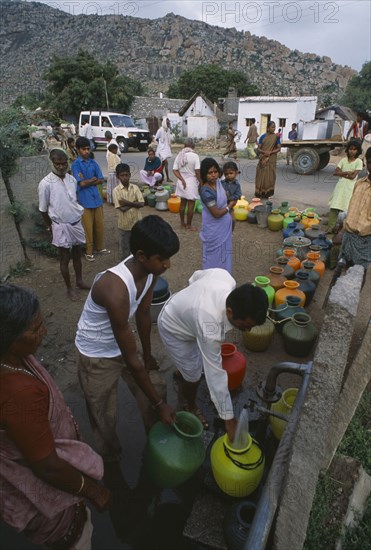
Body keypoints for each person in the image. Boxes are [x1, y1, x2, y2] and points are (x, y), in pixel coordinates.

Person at [0, 284, 111, 548]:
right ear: (8, 339)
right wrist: (93, 490)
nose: (44, 332)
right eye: (35, 329)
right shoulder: (19, 393)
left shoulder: (13, 361)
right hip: (52, 504)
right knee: (73, 537)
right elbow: (47, 466)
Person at [75, 215, 180, 464]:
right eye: (162, 259)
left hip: (120, 342)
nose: (167, 265)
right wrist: (159, 404)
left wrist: (149, 353)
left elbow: (144, 312)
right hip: (96, 355)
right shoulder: (115, 290)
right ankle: (110, 458)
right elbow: (132, 361)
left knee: (155, 385)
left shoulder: (150, 271)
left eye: (168, 258)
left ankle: (156, 436)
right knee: (103, 413)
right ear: (142, 255)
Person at [158, 269, 268, 439]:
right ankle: (191, 405)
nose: (247, 330)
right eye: (245, 325)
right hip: (172, 327)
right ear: (230, 312)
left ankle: (183, 370)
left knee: (193, 363)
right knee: (194, 375)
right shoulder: (210, 329)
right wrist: (228, 419)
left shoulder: (224, 277)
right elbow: (215, 374)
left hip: (187, 315)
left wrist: (193, 305)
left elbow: (194, 276)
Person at [38, 149, 90, 301]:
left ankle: (79, 281)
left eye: (63, 163)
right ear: (52, 163)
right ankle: (69, 288)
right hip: (60, 225)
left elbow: (73, 201)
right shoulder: (45, 183)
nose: (61, 167)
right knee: (65, 258)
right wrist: (50, 227)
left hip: (75, 222)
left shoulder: (72, 180)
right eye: (57, 164)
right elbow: (42, 210)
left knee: (77, 254)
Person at [72, 136, 110, 261]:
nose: (86, 151)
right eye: (83, 149)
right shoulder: (76, 165)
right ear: (78, 149)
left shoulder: (93, 163)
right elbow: (81, 184)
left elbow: (101, 179)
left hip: (96, 199)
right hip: (84, 200)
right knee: (88, 228)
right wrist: (92, 180)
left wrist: (88, 181)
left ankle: (99, 247)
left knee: (99, 225)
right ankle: (89, 251)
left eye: (88, 149)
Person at [199, 157, 233, 274]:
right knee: (212, 257)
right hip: (213, 230)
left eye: (215, 172)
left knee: (224, 254)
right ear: (204, 174)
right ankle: (210, 279)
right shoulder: (205, 191)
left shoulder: (219, 184)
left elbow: (227, 196)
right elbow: (216, 214)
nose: (213, 175)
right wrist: (230, 206)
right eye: (209, 173)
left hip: (224, 229)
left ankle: (223, 278)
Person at [339, 146, 371, 269]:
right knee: (343, 270)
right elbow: (352, 209)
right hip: (348, 236)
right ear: (366, 163)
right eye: (370, 163)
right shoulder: (359, 184)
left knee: (359, 275)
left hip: (365, 241)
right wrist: (342, 229)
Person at [327, 140, 363, 233]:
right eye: (350, 149)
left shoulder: (358, 161)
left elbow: (352, 177)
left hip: (350, 188)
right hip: (340, 187)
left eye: (354, 149)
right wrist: (346, 172)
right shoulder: (343, 160)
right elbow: (335, 173)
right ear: (347, 150)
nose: (352, 151)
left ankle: (341, 230)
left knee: (346, 209)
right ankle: (330, 229)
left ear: (358, 151)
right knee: (334, 207)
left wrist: (341, 173)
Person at [112, 163, 145, 260]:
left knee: (138, 248)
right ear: (118, 176)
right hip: (124, 225)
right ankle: (125, 269)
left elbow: (142, 204)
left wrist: (126, 202)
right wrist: (135, 203)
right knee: (125, 249)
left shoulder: (135, 188)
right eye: (122, 175)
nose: (125, 178)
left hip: (137, 223)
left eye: (126, 175)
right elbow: (121, 209)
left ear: (130, 175)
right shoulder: (116, 191)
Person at [173, 138, 201, 231]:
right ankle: (188, 225)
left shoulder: (180, 155)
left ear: (184, 146)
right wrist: (201, 182)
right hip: (191, 182)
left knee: (182, 204)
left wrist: (181, 179)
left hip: (181, 182)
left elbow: (175, 170)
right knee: (191, 205)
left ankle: (182, 223)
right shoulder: (195, 156)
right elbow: (197, 172)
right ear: (193, 146)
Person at [254, 121, 281, 199]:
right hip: (263, 159)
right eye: (272, 127)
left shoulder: (276, 137)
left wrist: (270, 152)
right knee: (260, 175)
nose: (274, 128)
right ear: (268, 128)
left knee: (270, 176)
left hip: (271, 159)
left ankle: (268, 193)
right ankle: (259, 193)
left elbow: (279, 148)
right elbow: (259, 148)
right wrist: (264, 152)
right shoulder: (263, 137)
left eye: (274, 127)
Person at [155, 117, 173, 182]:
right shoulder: (160, 130)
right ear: (165, 122)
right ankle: (167, 178)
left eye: (169, 122)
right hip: (161, 149)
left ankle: (160, 175)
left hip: (166, 148)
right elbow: (156, 138)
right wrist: (160, 143)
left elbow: (169, 139)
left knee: (162, 164)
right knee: (166, 162)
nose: (168, 124)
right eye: (167, 122)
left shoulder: (168, 130)